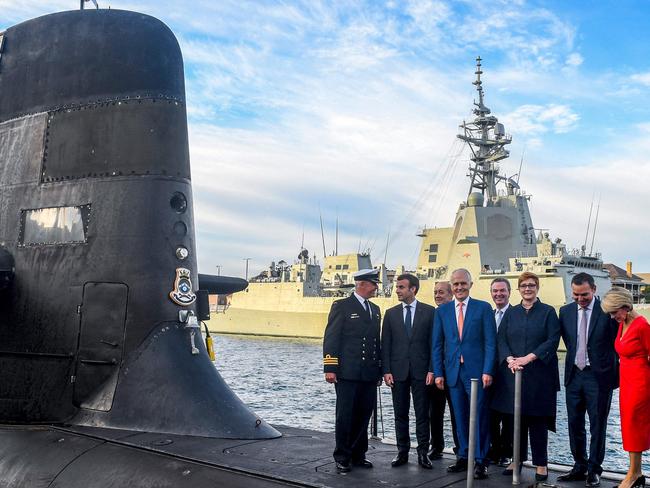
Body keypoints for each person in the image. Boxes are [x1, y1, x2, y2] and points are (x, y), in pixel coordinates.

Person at [492, 271, 560, 483]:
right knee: (514, 421)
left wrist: (529, 358)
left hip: (539, 376)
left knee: (537, 421)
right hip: (513, 376)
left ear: (537, 287)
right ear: (519, 289)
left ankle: (541, 462)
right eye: (524, 286)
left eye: (531, 285)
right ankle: (517, 459)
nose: (527, 289)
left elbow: (552, 340)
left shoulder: (548, 312)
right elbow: (501, 339)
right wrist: (510, 359)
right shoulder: (511, 313)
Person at [432, 268, 497, 480]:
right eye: (456, 284)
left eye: (463, 283)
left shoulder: (483, 308)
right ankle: (463, 456)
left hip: (477, 373)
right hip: (453, 373)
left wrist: (488, 370)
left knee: (479, 416)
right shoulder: (442, 311)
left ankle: (480, 461)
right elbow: (437, 345)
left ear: (470, 285)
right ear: (452, 286)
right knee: (459, 416)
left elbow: (490, 343)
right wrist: (439, 373)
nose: (459, 287)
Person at [558, 273, 618, 487]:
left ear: (593, 290)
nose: (580, 299)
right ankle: (579, 466)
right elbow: (569, 341)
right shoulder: (564, 312)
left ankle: (594, 469)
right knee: (574, 424)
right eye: (575, 294)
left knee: (597, 425)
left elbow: (616, 342)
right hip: (574, 375)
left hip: (599, 377)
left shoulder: (606, 312)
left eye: (584, 294)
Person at [323, 268, 382, 473]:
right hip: (347, 372)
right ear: (362, 284)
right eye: (374, 284)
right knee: (345, 415)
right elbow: (332, 337)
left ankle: (359, 454)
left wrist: (379, 370)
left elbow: (376, 342)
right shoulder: (342, 306)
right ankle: (342, 455)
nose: (376, 288)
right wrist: (330, 367)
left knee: (364, 414)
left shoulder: (375, 309)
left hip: (368, 373)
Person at [381, 274, 435, 469]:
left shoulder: (429, 312)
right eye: (397, 287)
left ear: (413, 289)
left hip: (422, 373)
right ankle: (402, 452)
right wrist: (386, 370)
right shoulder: (391, 313)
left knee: (422, 415)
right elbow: (385, 344)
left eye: (401, 287)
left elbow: (433, 344)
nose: (397, 290)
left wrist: (432, 369)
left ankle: (423, 453)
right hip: (398, 372)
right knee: (400, 414)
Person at [601, 287, 650, 488]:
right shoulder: (625, 323)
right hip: (627, 383)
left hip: (640, 383)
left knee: (635, 425)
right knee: (629, 426)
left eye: (614, 312)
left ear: (625, 307)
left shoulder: (642, 326)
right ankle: (635, 473)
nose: (612, 317)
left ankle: (632, 474)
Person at [429, 281, 460, 461]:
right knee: (435, 413)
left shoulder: (458, 314)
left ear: (451, 294)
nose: (438, 295)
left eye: (441, 292)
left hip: (455, 372)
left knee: (458, 413)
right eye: (435, 292)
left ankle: (460, 448)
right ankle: (437, 446)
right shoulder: (432, 315)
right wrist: (432, 370)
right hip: (436, 372)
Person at [488, 278, 513, 467]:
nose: (499, 294)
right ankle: (493, 450)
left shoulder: (515, 314)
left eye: (502, 291)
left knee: (509, 416)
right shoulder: (488, 314)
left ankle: (506, 452)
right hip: (490, 371)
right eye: (495, 291)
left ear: (509, 292)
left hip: (509, 372)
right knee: (490, 415)